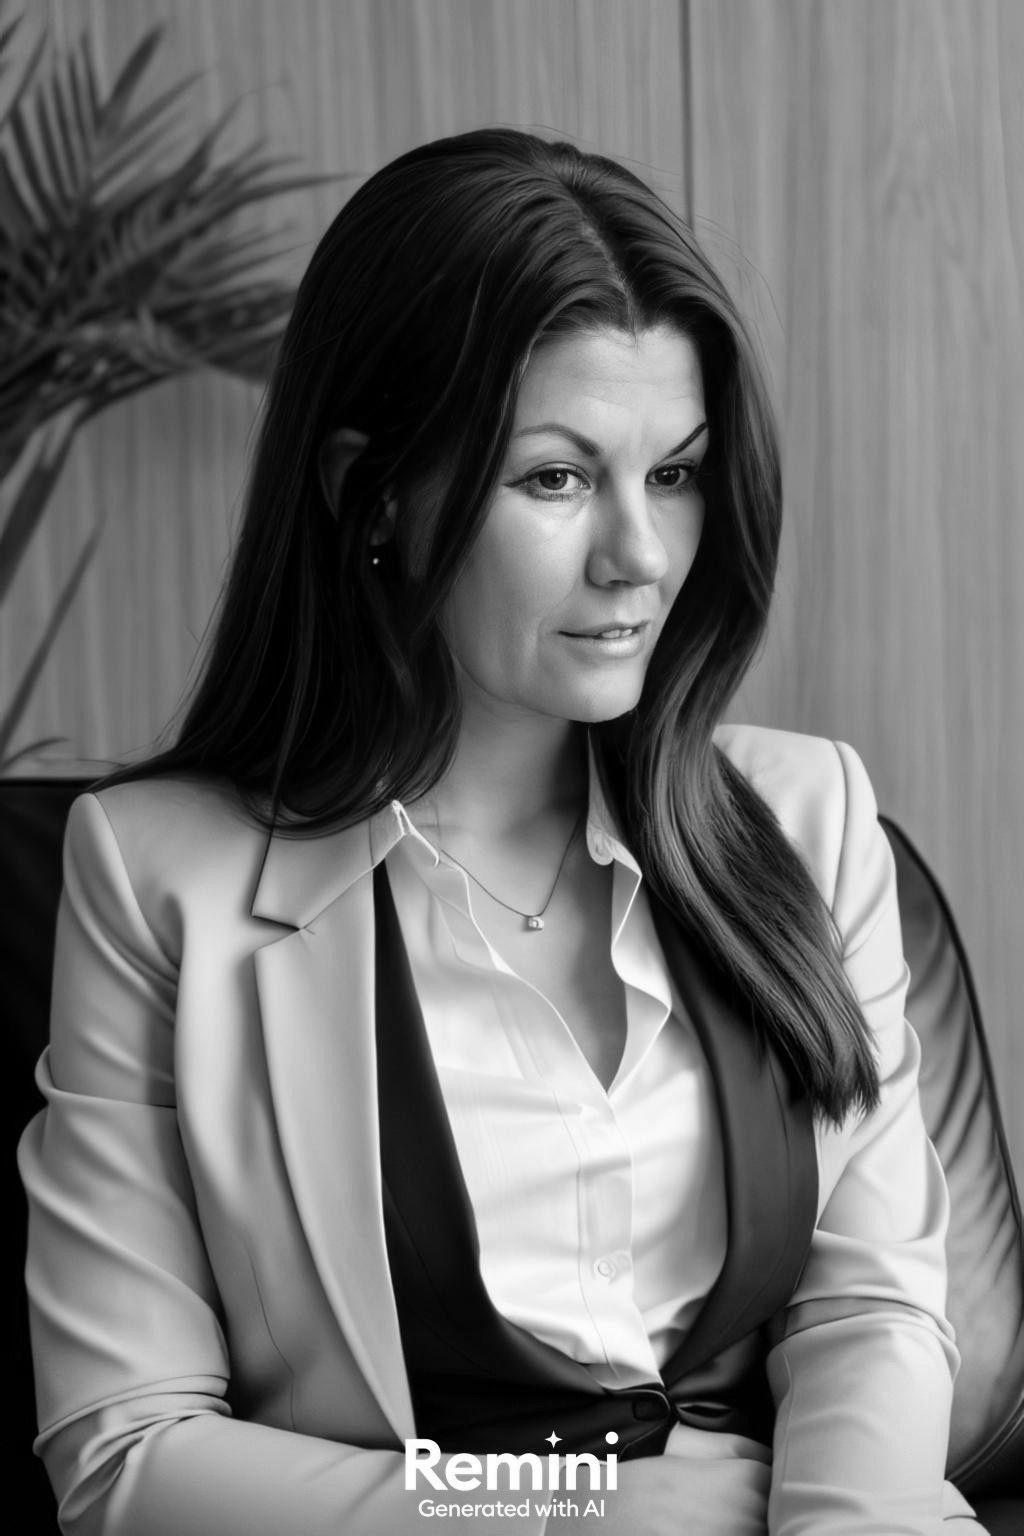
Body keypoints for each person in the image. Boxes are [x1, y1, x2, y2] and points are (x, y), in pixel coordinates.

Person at [19, 128, 986, 1536]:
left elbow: (875, 1301)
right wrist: (578, 1509)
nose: (640, 556)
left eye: (675, 473)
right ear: (375, 495)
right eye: (556, 478)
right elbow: (127, 1457)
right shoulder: (159, 879)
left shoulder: (806, 816)